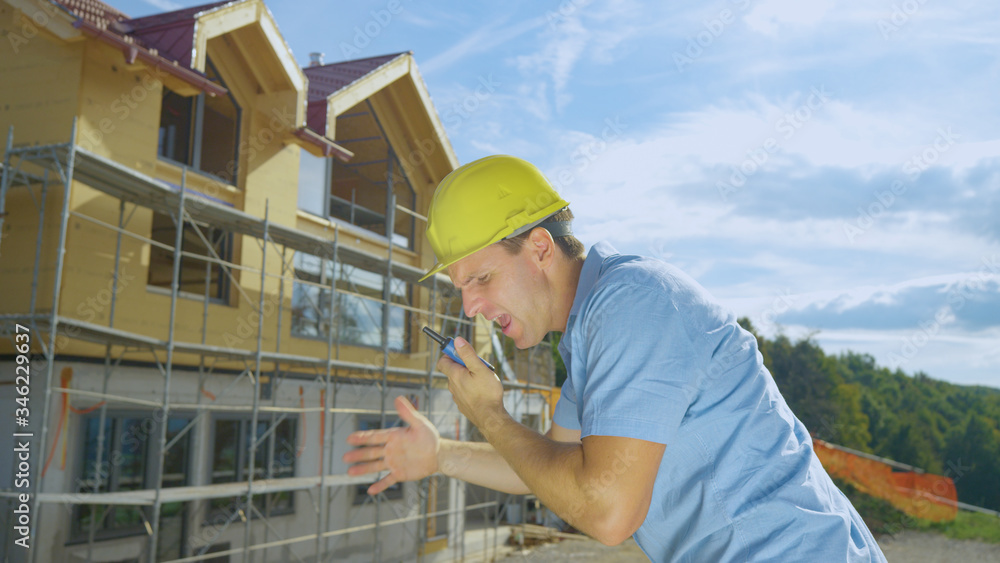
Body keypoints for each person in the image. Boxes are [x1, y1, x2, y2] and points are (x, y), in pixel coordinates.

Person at [343, 155, 887, 562]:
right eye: (461, 288)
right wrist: (441, 455)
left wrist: (489, 413)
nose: (471, 306)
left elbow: (605, 510)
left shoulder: (633, 303)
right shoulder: (587, 335)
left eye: (481, 278)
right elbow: (553, 466)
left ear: (538, 248)